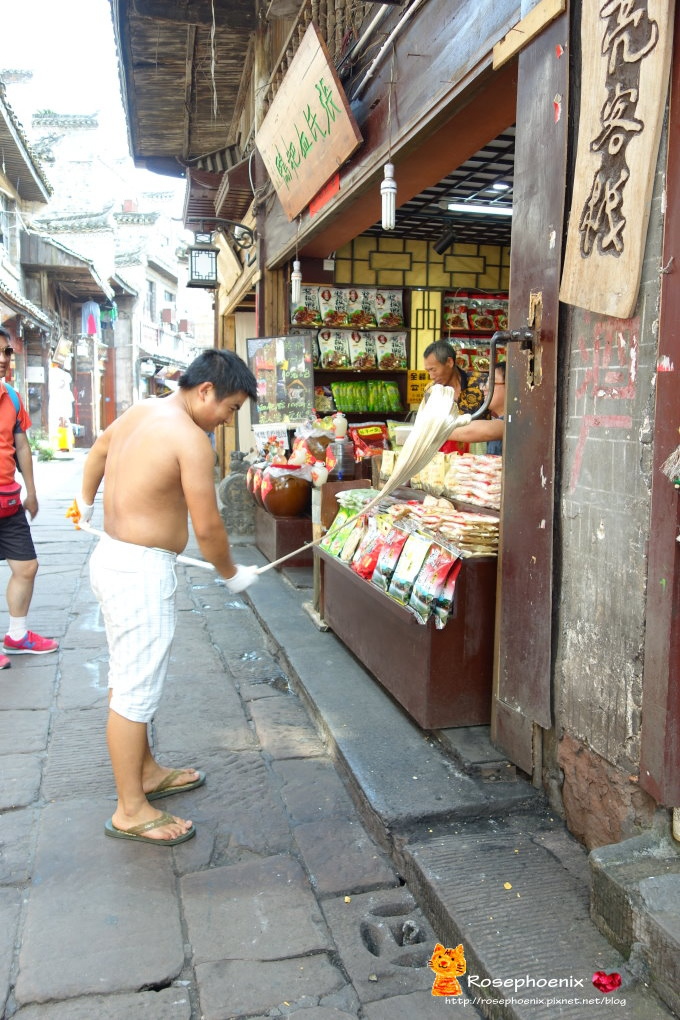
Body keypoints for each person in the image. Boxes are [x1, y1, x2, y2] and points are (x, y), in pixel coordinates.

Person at [78, 348, 259, 846]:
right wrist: (231, 574)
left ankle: (148, 771)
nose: (226, 421)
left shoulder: (142, 409)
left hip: (113, 559)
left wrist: (84, 501)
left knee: (128, 675)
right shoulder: (189, 439)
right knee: (134, 689)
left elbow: (97, 452)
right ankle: (130, 808)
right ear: (205, 391)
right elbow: (207, 524)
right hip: (138, 571)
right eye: (230, 409)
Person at [0, 327, 59, 670]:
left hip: (8, 502)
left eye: (7, 352)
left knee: (27, 567)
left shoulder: (13, 397)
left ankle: (17, 635)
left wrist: (32, 491)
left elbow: (21, 445)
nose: (4, 359)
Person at [422, 339, 486, 453]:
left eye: (433, 370)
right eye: (428, 371)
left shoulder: (481, 383)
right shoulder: (431, 391)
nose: (431, 376)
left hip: (480, 454)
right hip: (446, 455)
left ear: (450, 362)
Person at [448, 360, 506, 454]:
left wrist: (435, 430)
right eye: (486, 382)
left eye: (491, 382)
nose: (484, 388)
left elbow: (471, 431)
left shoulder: (512, 422)